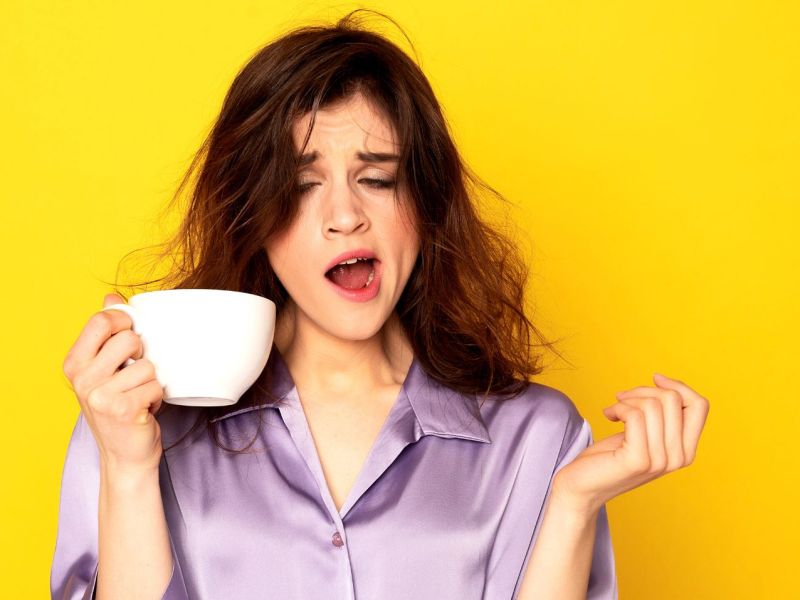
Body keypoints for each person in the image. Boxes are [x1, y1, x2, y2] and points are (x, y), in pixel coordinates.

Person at [51, 10, 710, 600]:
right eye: (303, 185)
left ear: (423, 203)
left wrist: (571, 503)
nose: (345, 216)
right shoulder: (132, 422)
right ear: (255, 216)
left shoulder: (537, 440)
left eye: (377, 178)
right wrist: (131, 468)